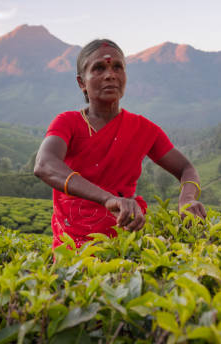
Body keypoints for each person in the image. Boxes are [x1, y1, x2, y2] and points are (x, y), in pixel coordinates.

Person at [34, 39, 206, 249]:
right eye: (99, 68)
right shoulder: (68, 123)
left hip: (125, 242)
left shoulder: (143, 129)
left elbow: (186, 169)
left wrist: (187, 200)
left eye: (117, 67)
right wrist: (107, 199)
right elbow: (44, 165)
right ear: (81, 83)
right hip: (71, 249)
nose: (110, 75)